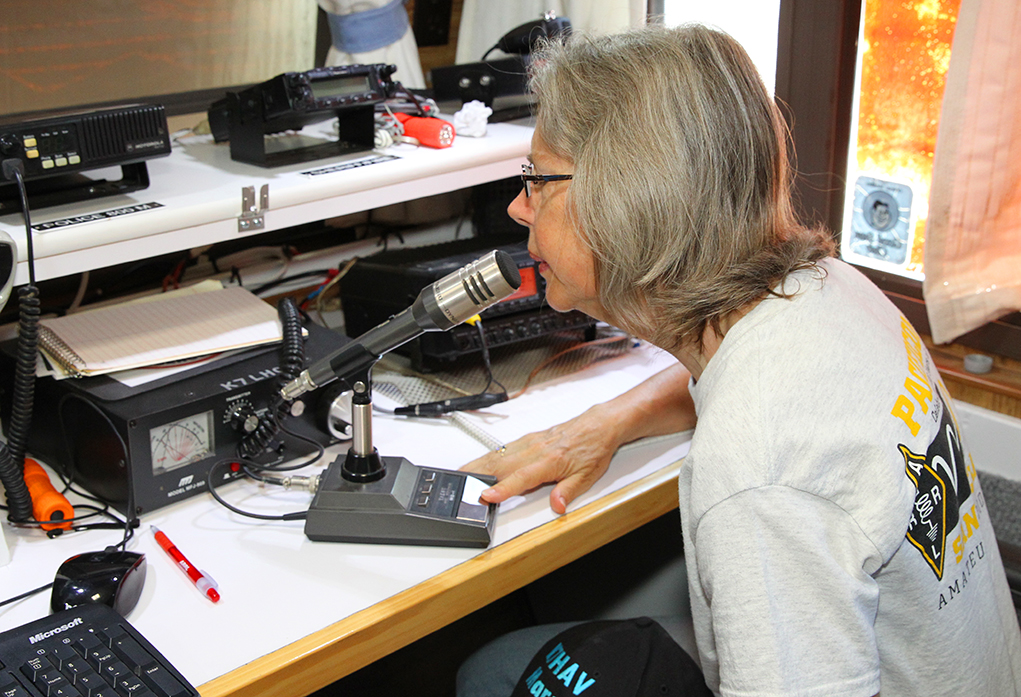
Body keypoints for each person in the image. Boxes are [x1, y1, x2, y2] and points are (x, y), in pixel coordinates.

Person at [456, 23, 1021, 697]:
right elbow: (737, 379)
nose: (518, 206)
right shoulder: (825, 287)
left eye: (538, 179)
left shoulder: (756, 472)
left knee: (492, 675)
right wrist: (606, 421)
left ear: (627, 201)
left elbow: (770, 459)